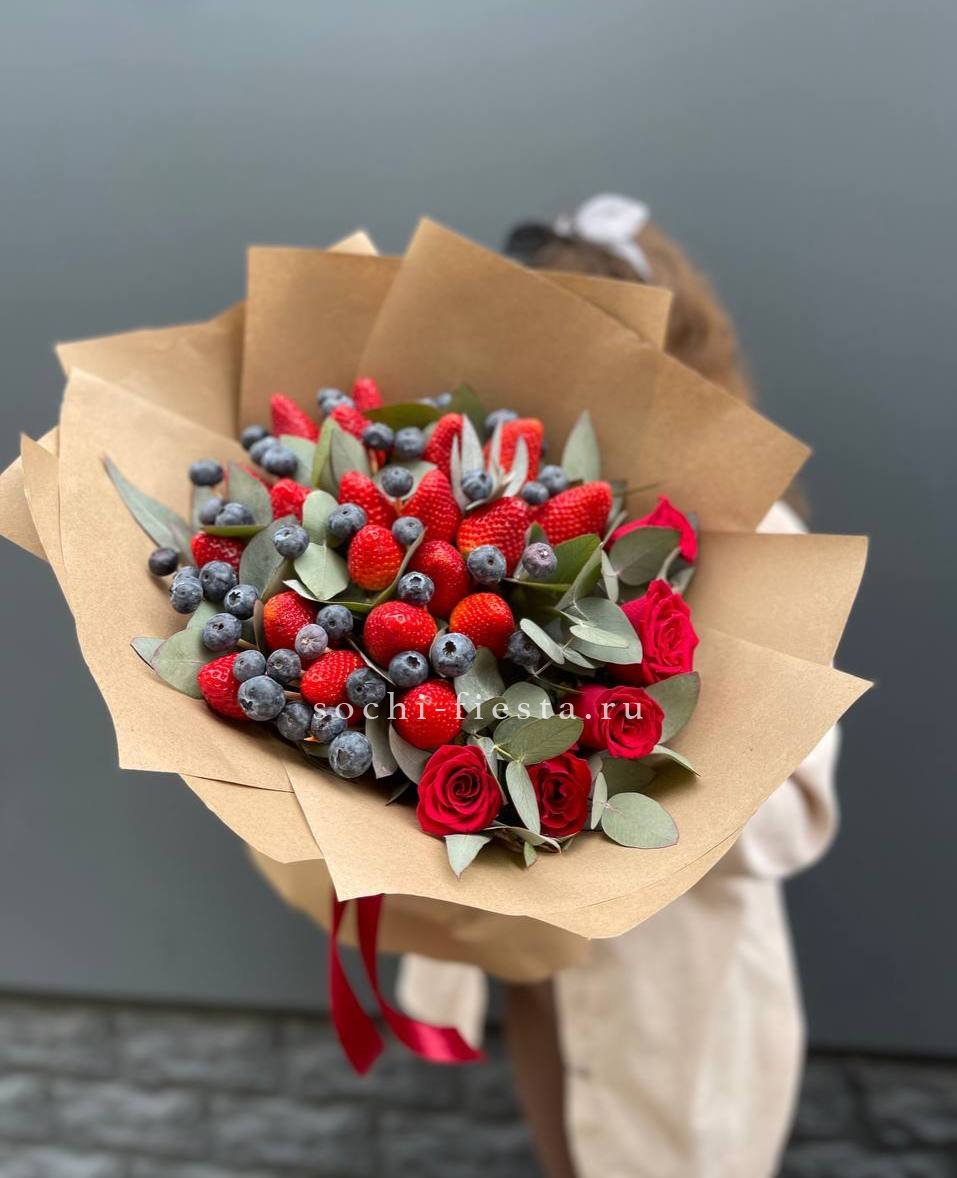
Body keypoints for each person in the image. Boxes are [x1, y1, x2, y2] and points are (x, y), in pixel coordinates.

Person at [397, 195, 839, 1178]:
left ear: (662, 353)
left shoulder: (757, 537)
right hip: (541, 966)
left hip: (675, 989)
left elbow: (792, 820)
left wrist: (616, 744)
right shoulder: (496, 507)